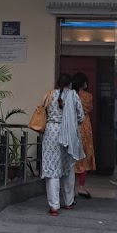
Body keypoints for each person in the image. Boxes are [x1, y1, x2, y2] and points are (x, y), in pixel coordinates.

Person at [41, 73, 84, 216]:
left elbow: (42, 111)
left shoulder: (49, 95)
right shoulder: (73, 95)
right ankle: (69, 202)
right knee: (68, 168)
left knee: (52, 169)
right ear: (70, 84)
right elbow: (81, 116)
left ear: (57, 83)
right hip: (68, 134)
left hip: (51, 133)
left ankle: (54, 206)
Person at [72, 72, 96, 199]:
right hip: (84, 126)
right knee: (85, 155)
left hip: (72, 126)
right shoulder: (88, 96)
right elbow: (89, 109)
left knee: (72, 156)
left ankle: (69, 187)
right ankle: (81, 186)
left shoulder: (70, 95)